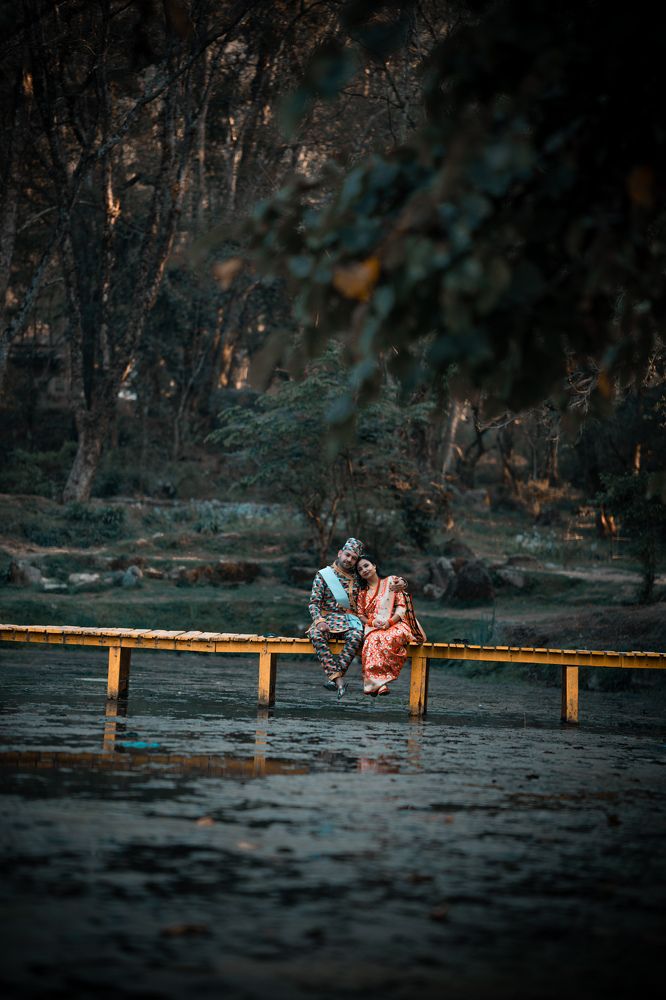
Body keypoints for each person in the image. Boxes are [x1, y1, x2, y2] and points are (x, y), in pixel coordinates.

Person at [356, 553, 426, 697]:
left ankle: (375, 684)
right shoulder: (362, 594)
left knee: (386, 638)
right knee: (371, 640)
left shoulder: (391, 581)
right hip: (375, 627)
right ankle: (380, 684)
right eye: (360, 569)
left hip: (397, 623)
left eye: (366, 565)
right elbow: (361, 615)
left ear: (374, 566)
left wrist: (390, 622)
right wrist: (373, 622)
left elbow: (402, 607)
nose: (364, 569)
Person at [307, 538, 365, 700]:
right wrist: (319, 621)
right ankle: (339, 680)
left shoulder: (359, 577)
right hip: (326, 619)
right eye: (347, 555)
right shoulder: (324, 575)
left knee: (356, 636)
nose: (349, 560)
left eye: (354, 558)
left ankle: (334, 679)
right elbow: (313, 603)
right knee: (316, 635)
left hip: (349, 621)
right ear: (340, 553)